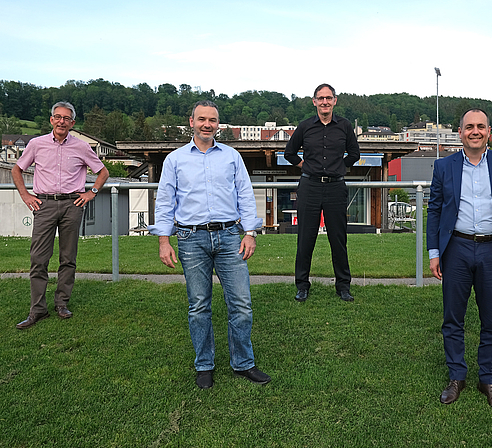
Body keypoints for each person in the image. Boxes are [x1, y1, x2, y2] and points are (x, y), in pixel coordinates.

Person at [149, 100, 270, 389]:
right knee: (199, 305)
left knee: (241, 303)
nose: (207, 124)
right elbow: (165, 201)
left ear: (219, 125)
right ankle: (204, 365)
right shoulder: (175, 160)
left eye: (212, 120)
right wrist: (164, 241)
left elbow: (245, 193)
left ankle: (243, 363)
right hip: (191, 239)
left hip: (230, 237)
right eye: (201, 119)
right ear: (191, 122)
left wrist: (250, 232)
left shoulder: (231, 156)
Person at [427, 109, 492, 413]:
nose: (475, 131)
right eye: (469, 127)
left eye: (480, 126)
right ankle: (457, 376)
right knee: (453, 318)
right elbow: (434, 209)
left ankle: (489, 379)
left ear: (489, 131)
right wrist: (434, 252)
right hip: (455, 248)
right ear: (460, 133)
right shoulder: (444, 166)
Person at [12, 101, 109, 330]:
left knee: (68, 258)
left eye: (66, 118)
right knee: (38, 259)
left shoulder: (82, 147)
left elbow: (102, 172)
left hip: (71, 206)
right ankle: (38, 309)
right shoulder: (36, 144)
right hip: (43, 205)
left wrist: (91, 193)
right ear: (51, 120)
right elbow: (17, 169)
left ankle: (62, 303)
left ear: (72, 123)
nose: (61, 121)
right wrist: (26, 195)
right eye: (58, 117)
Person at [284, 84, 360, 302]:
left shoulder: (344, 126)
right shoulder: (305, 126)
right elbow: (289, 153)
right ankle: (302, 286)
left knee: (338, 238)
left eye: (328, 98)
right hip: (310, 187)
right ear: (314, 101)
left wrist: (339, 166)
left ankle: (343, 286)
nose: (325, 102)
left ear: (335, 100)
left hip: (336, 187)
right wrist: (305, 166)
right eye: (321, 98)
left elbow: (355, 153)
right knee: (305, 238)